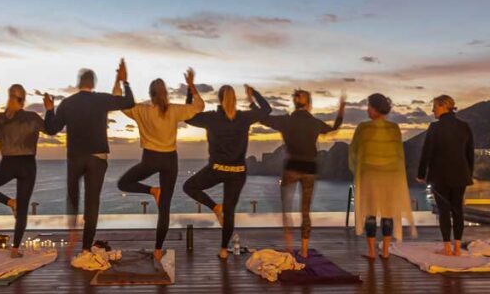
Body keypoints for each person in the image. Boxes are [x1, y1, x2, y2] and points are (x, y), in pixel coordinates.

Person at [43, 59, 134, 255]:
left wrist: (49, 109)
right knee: (93, 202)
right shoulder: (101, 99)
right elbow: (129, 102)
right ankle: (86, 247)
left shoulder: (67, 103)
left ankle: (73, 230)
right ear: (93, 84)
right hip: (97, 157)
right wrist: (124, 82)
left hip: (75, 157)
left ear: (78, 83)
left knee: (73, 195)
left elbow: (51, 129)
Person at [117, 69, 204, 259]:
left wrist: (122, 81)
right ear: (165, 93)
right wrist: (191, 85)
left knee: (123, 183)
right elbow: (199, 106)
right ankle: (158, 249)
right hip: (170, 160)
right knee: (164, 207)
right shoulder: (174, 110)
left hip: (150, 159)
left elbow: (120, 102)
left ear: (150, 94)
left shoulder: (141, 110)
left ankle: (151, 191)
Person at [182, 85, 271, 259]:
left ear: (219, 99)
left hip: (216, 170)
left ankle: (215, 207)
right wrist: (255, 94)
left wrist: (190, 91)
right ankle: (223, 250)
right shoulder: (245, 117)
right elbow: (267, 109)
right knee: (229, 212)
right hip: (238, 172)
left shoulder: (211, 118)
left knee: (189, 187)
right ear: (235, 99)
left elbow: (187, 117)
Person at [263, 90, 346, 258]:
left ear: (295, 103)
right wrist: (341, 109)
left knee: (286, 209)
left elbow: (264, 119)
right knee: (305, 211)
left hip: (291, 167)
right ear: (309, 104)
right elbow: (334, 127)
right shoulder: (314, 122)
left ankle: (288, 247)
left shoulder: (285, 121)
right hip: (309, 169)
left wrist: (253, 103)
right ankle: (305, 250)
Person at [0, 84, 45, 257]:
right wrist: (50, 110)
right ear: (24, 99)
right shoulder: (32, 117)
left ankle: (10, 203)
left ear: (10, 98)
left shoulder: (3, 117)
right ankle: (15, 249)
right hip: (28, 165)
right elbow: (51, 129)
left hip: (9, 164)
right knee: (22, 209)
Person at [348, 93, 416, 259]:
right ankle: (385, 251)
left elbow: (353, 152)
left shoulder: (363, 128)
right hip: (391, 176)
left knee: (370, 213)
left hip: (370, 176)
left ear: (375, 108)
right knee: (388, 212)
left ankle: (372, 252)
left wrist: (356, 170)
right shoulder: (394, 128)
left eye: (369, 106)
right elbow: (399, 154)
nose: (367, 110)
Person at [416, 94, 474, 256]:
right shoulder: (464, 127)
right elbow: (469, 154)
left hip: (439, 176)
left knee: (444, 211)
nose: (432, 110)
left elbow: (426, 153)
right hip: (461, 175)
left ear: (443, 106)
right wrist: (469, 173)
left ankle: (447, 247)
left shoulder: (435, 128)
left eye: (434, 106)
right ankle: (457, 248)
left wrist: (421, 174)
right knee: (458, 210)